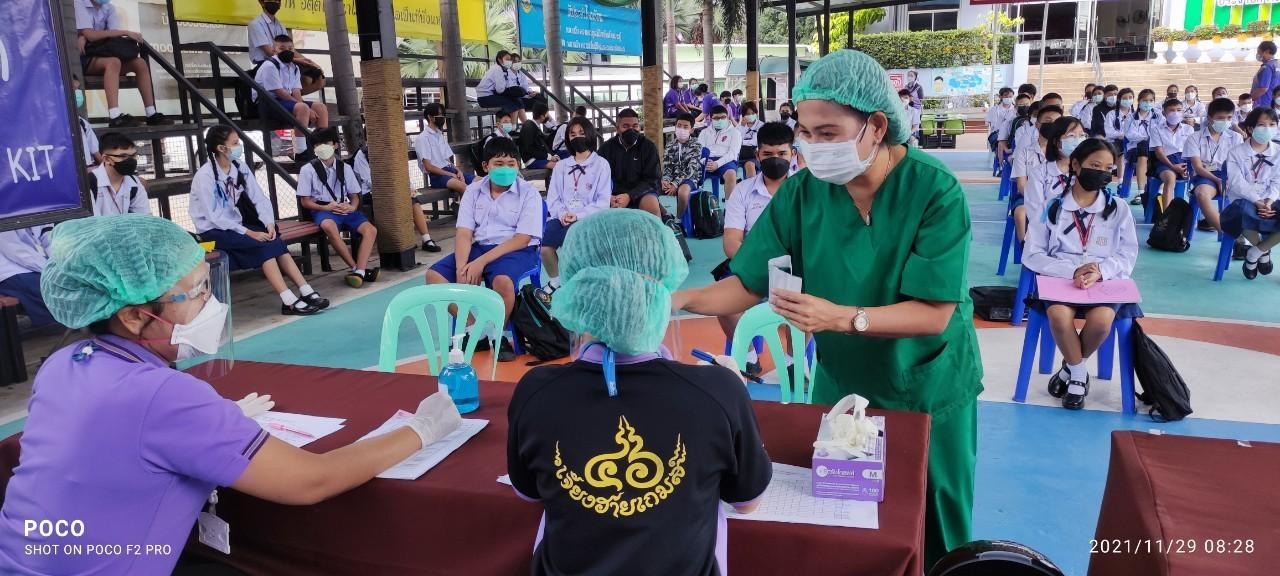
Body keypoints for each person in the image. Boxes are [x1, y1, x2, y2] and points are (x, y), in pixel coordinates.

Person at [0, 214, 461, 576]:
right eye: (197, 292)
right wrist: (420, 430)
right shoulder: (161, 394)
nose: (212, 302)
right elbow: (310, 481)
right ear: (135, 316)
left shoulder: (64, 363)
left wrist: (213, 420)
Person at [671, 50, 982, 568]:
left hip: (927, 382)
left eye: (828, 133)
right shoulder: (802, 194)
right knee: (842, 518)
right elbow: (746, 285)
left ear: (876, 126)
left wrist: (840, 318)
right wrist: (677, 300)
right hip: (843, 383)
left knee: (934, 516)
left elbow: (933, 314)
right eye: (805, 133)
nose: (813, 147)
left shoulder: (934, 190)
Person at [507, 209, 770, 576]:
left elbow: (529, 492)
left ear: (577, 290)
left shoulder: (537, 392)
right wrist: (734, 403)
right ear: (663, 292)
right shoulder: (717, 392)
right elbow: (747, 502)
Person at [1023, 138, 1138, 411]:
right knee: (1058, 316)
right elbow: (1032, 253)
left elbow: (1128, 253)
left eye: (1108, 168)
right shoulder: (1052, 207)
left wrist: (1101, 271)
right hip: (1061, 279)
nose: (1102, 173)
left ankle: (1069, 368)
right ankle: (1078, 375)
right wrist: (1070, 270)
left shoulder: (1118, 208)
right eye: (1095, 166)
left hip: (1102, 281)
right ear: (1075, 165)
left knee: (1101, 322)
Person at [426, 138, 542, 361]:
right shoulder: (473, 191)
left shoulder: (529, 193)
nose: (506, 169)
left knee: (503, 282)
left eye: (511, 164)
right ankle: (474, 332)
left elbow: (522, 238)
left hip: (515, 250)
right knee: (434, 277)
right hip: (479, 247)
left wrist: (480, 262)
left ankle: (499, 335)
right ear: (486, 166)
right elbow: (464, 232)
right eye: (499, 163)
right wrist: (461, 267)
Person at [190, 125, 326, 316]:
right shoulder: (205, 176)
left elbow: (259, 198)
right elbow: (215, 217)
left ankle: (305, 290)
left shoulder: (239, 167)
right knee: (263, 246)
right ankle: (288, 300)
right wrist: (250, 233)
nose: (239, 146)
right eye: (235, 143)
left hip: (236, 226)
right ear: (221, 148)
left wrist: (268, 223)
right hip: (214, 231)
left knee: (274, 239)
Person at [715, 122, 795, 376]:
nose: (775, 159)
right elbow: (731, 243)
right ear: (758, 155)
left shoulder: (805, 190)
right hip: (751, 267)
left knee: (809, 297)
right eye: (768, 154)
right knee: (722, 302)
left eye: (782, 153)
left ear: (792, 153)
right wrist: (760, 271)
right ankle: (748, 356)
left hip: (795, 269)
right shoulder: (743, 191)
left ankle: (794, 362)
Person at [296, 128, 380, 289]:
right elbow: (305, 202)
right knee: (329, 226)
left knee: (371, 230)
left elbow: (355, 196)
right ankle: (356, 269)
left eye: (326, 143)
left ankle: (359, 271)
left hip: (344, 208)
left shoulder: (345, 168)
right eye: (317, 145)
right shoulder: (307, 170)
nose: (322, 147)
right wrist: (326, 207)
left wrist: (351, 208)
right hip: (322, 209)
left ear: (335, 145)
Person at [542, 118, 612, 292]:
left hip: (589, 219)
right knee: (543, 244)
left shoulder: (601, 164)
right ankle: (555, 281)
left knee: (576, 246)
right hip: (563, 217)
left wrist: (578, 215)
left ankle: (583, 283)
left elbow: (603, 202)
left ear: (590, 134)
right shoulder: (561, 166)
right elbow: (552, 199)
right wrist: (562, 214)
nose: (577, 137)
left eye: (581, 133)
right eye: (572, 134)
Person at [75, 0, 171, 128]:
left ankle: (151, 114)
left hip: (103, 54)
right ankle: (115, 116)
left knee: (140, 63)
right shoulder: (78, 3)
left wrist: (85, 36)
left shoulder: (109, 8)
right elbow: (91, 35)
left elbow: (110, 37)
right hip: (82, 59)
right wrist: (124, 32)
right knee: (113, 62)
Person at [1223, 107, 1280, 280]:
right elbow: (1236, 182)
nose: (1268, 129)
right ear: (1250, 128)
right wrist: (1257, 201)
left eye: (1272, 124)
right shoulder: (1236, 152)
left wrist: (1269, 201)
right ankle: (1264, 251)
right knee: (1240, 215)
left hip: (1271, 199)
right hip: (1243, 199)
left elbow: (1278, 181)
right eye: (1262, 125)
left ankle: (1254, 253)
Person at [353, 143, 440, 253]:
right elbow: (369, 181)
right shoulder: (361, 155)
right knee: (397, 200)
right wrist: (393, 189)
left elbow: (401, 173)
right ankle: (400, 241)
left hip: (391, 189)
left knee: (413, 200)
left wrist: (409, 188)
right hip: (369, 192)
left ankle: (426, 239)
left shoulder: (391, 151)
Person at [254, 35, 328, 160]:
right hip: (266, 103)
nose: (287, 51)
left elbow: (296, 91)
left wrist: (306, 106)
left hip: (284, 102)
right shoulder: (269, 66)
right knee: (303, 108)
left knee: (321, 108)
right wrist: (305, 108)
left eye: (290, 48)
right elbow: (280, 92)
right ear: (274, 50)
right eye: (282, 48)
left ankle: (323, 148)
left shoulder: (294, 68)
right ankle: (301, 153)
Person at [1187, 98, 1242, 234]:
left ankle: (1236, 233)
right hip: (1205, 175)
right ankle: (1226, 233)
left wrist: (1227, 180)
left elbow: (1239, 165)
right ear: (1210, 118)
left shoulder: (1236, 137)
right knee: (1201, 194)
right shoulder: (1194, 137)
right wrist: (1218, 180)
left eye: (1229, 118)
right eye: (1220, 118)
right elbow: (1198, 167)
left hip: (1229, 175)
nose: (1225, 121)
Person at [1010, 106, 1064, 243]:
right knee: (1021, 213)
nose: (1052, 125)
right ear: (1037, 124)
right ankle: (1025, 247)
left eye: (1056, 122)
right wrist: (1038, 201)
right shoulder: (1024, 152)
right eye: (1048, 121)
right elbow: (1021, 185)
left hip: (1058, 197)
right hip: (1028, 196)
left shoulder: (1064, 153)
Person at [598, 109, 662, 218]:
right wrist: (608, 196)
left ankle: (659, 225)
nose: (631, 130)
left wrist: (630, 196)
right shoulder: (606, 148)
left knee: (651, 204)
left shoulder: (648, 147)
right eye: (625, 126)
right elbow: (598, 178)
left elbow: (653, 180)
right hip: (613, 195)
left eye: (635, 126)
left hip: (641, 193)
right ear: (617, 128)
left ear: (639, 127)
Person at [0, 226, 56, 328]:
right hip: (9, 271)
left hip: (31, 265)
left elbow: (47, 233)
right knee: (54, 291)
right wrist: (50, 269)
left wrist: (60, 262)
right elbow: (16, 252)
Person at [416, 102, 473, 202]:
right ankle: (465, 210)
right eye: (439, 114)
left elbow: (447, 160)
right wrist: (450, 174)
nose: (442, 117)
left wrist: (458, 171)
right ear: (430, 117)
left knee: (481, 181)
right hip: (437, 176)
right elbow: (428, 167)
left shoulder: (439, 135)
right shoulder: (423, 138)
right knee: (464, 188)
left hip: (449, 170)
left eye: (443, 114)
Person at [89, 132, 151, 216]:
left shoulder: (135, 183)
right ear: (106, 159)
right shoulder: (88, 184)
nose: (130, 160)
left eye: (133, 155)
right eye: (123, 156)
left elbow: (144, 218)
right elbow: (91, 222)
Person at [1151, 98, 1194, 212]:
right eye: (1171, 110)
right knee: (1170, 179)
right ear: (1164, 113)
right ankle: (1167, 216)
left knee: (1198, 178)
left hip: (1184, 161)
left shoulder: (1189, 129)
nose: (1175, 113)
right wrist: (1172, 166)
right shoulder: (1156, 130)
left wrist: (1187, 167)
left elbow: (1192, 151)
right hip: (1165, 161)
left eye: (1179, 110)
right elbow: (1159, 153)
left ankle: (1191, 215)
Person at [661, 113, 703, 218]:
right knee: (650, 190)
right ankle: (666, 215)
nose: (681, 129)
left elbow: (691, 168)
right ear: (675, 127)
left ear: (691, 130)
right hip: (673, 178)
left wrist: (675, 184)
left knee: (683, 193)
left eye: (685, 127)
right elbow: (667, 166)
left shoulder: (696, 145)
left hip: (690, 178)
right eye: (679, 126)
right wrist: (666, 180)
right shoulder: (670, 145)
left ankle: (678, 219)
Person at [477, 50, 537, 122]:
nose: (509, 61)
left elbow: (504, 87)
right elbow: (500, 89)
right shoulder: (497, 69)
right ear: (499, 60)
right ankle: (514, 126)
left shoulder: (504, 70)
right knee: (513, 102)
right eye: (507, 59)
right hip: (485, 98)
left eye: (510, 60)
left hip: (492, 96)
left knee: (516, 100)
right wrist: (512, 91)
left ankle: (521, 124)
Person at [699, 105, 743, 198]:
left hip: (726, 160)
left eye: (723, 117)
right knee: (691, 174)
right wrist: (705, 162)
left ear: (727, 117)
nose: (720, 120)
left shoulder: (735, 132)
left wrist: (717, 164)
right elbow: (699, 151)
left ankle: (730, 205)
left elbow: (733, 153)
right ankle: (694, 203)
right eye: (716, 118)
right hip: (707, 161)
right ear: (711, 118)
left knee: (731, 175)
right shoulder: (704, 133)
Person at [1125, 89, 1158, 204]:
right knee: (1143, 154)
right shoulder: (1130, 117)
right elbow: (1129, 134)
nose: (1148, 103)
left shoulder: (1158, 116)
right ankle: (1141, 192)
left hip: (1154, 147)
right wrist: (1145, 138)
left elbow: (1162, 132)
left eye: (1151, 100)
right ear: (1139, 101)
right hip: (1135, 149)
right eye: (1145, 100)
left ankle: (1158, 191)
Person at [1101, 88, 1134, 180]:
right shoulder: (1111, 114)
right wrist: (1121, 135)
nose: (1128, 100)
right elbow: (1109, 132)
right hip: (1114, 141)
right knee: (1120, 154)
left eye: (1130, 97)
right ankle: (1119, 181)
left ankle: (1125, 181)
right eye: (1125, 98)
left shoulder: (1135, 115)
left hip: (1131, 142)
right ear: (1119, 99)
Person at [519, 103, 559, 171]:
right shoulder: (529, 127)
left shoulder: (535, 126)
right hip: (532, 160)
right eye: (547, 114)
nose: (548, 117)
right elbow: (529, 149)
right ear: (542, 116)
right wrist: (549, 157)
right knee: (558, 166)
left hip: (538, 158)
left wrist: (552, 155)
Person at [71, 75, 100, 167]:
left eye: (78, 89)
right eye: (74, 88)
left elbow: (95, 151)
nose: (78, 92)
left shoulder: (82, 122)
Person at [247, 0, 287, 67]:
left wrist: (304, 59)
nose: (275, 2)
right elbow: (270, 52)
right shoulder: (256, 24)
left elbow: (290, 48)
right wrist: (296, 60)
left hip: (283, 61)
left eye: (277, 0)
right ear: (262, 3)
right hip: (265, 64)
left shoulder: (280, 26)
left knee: (306, 68)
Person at [997, 93, 1034, 158]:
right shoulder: (1009, 121)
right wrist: (1008, 150)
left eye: (1027, 104)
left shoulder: (1033, 119)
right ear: (1015, 107)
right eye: (1021, 105)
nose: (1025, 106)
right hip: (1014, 152)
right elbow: (1001, 141)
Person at [987, 87, 1017, 156]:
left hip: (1011, 134)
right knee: (999, 140)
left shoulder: (1015, 109)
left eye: (1010, 96)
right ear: (1000, 96)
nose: (1008, 98)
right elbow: (991, 124)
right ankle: (1000, 160)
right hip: (997, 134)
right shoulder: (994, 109)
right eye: (1006, 96)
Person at [738, 102, 765, 177]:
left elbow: (756, 142)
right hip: (740, 155)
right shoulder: (740, 126)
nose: (750, 115)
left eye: (753, 113)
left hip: (754, 155)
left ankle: (752, 184)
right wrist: (742, 127)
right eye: (747, 114)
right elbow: (736, 140)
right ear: (743, 115)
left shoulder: (761, 126)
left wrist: (742, 142)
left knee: (750, 165)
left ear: (756, 113)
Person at [1251, 41, 1280, 109]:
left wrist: (1250, 98)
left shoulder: (1267, 67)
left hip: (1263, 103)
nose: (1258, 54)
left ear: (1266, 51)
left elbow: (1263, 88)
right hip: (1273, 102)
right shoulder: (1276, 65)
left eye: (1259, 52)